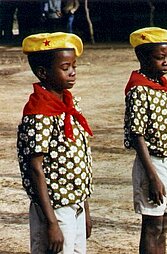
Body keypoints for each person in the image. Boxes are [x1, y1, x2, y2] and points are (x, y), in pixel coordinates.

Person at [17, 32, 93, 253]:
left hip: (75, 204)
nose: (73, 72)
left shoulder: (70, 105)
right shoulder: (39, 113)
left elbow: (79, 161)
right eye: (65, 67)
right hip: (55, 208)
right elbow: (35, 168)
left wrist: (84, 210)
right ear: (43, 73)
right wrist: (51, 223)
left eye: (74, 65)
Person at [124, 27, 167, 254]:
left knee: (164, 225)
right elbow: (136, 134)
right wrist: (152, 176)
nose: (166, 62)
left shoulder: (162, 86)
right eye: (160, 58)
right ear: (142, 57)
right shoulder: (139, 90)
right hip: (153, 164)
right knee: (152, 226)